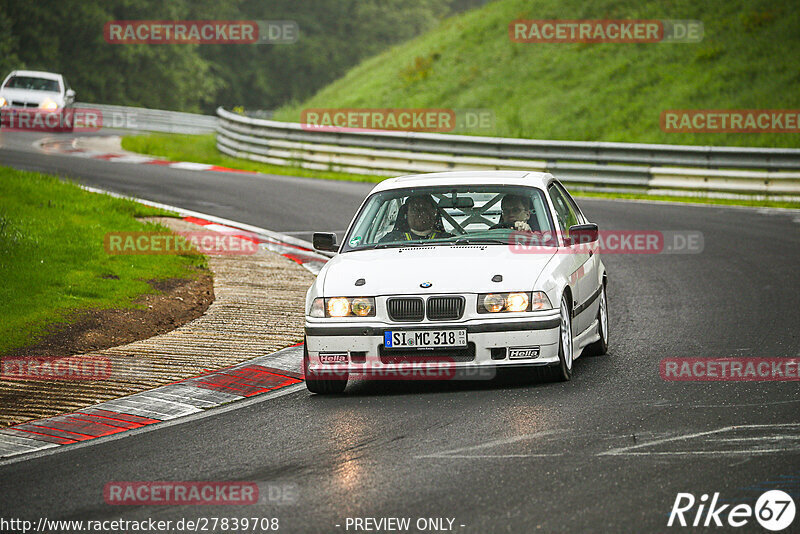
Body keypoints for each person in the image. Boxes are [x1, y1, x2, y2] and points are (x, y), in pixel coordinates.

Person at [380, 194, 453, 242]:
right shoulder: (389, 242)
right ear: (406, 214)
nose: (420, 213)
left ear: (434, 213)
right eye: (414, 209)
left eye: (424, 209)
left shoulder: (451, 241)